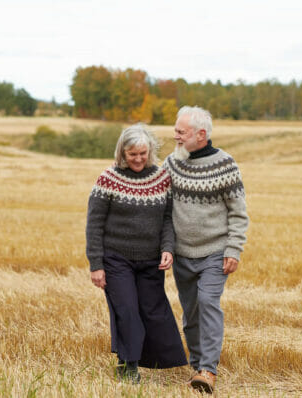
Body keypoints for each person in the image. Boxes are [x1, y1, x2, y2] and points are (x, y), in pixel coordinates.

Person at [86, 123, 187, 384]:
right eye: (132, 154)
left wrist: (167, 248)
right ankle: (130, 366)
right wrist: (96, 264)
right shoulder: (108, 179)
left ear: (150, 151)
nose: (138, 159)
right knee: (127, 310)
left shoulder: (161, 178)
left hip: (151, 261)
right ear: (122, 152)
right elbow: (94, 224)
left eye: (143, 153)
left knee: (152, 312)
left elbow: (168, 219)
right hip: (116, 259)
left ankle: (140, 359)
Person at [163, 106, 249, 394]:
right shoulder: (171, 164)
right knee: (191, 314)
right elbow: (161, 208)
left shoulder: (225, 165)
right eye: (175, 130)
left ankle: (208, 370)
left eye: (181, 132)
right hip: (182, 254)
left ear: (201, 134)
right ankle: (198, 366)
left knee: (208, 302)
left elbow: (238, 213)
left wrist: (233, 249)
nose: (175, 136)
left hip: (215, 252)